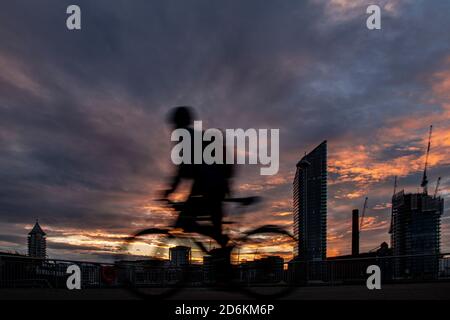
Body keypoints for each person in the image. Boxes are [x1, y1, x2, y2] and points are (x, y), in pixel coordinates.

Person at [162, 106, 233, 247]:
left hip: (209, 182)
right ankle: (221, 246)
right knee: (197, 220)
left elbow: (183, 170)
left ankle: (219, 240)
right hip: (215, 181)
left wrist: (170, 190)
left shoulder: (186, 136)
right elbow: (187, 169)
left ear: (179, 123)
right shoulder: (193, 135)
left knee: (186, 221)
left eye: (175, 124)